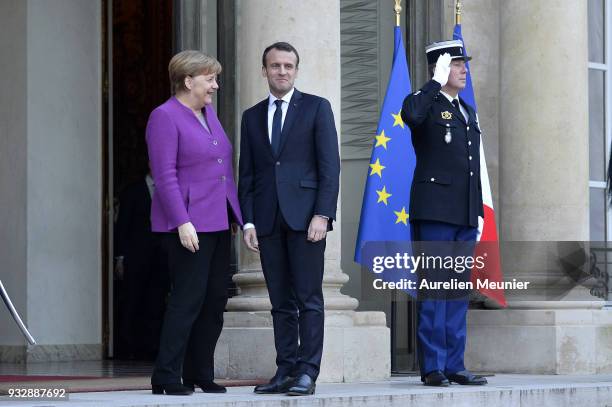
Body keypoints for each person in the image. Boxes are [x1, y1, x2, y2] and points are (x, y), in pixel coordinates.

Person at [238, 42, 340, 396]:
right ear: (264, 70)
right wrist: (247, 221)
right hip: (267, 221)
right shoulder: (251, 117)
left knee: (309, 299)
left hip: (307, 220)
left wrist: (323, 214)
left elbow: (330, 167)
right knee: (280, 301)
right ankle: (285, 369)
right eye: (275, 66)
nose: (282, 71)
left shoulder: (316, 108)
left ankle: (307, 372)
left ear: (296, 70)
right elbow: (247, 175)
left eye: (289, 66)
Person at [146, 50, 243, 396]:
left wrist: (238, 218)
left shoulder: (208, 114)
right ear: (188, 81)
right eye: (209, 79)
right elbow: (165, 175)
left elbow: (223, 170)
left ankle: (200, 371)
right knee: (187, 300)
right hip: (187, 225)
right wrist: (181, 221)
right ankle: (166, 376)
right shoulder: (164, 117)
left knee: (215, 300)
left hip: (217, 222)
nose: (215, 85)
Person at [401, 40, 488, 387]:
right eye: (455, 64)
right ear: (438, 68)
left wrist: (477, 212)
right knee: (435, 289)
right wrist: (433, 83)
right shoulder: (425, 103)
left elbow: (470, 166)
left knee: (456, 292)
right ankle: (433, 365)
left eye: (464, 63)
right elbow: (411, 116)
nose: (464, 69)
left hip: (463, 213)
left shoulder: (466, 110)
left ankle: (455, 363)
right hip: (435, 211)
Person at [114, 169, 169, 360]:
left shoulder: (167, 189)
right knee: (132, 301)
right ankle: (128, 346)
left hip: (161, 257)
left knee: (156, 302)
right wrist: (120, 257)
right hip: (136, 257)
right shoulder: (133, 191)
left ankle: (152, 346)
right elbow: (123, 225)